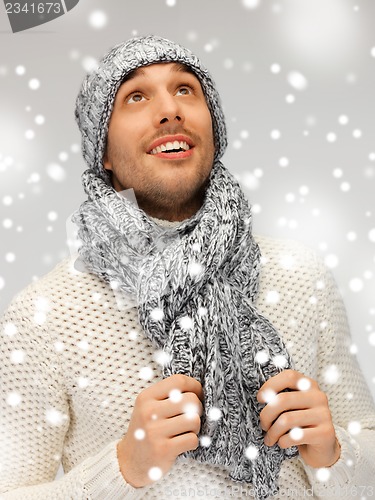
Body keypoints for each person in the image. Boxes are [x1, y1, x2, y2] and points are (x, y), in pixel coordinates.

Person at [0, 35, 374, 500]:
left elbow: (365, 465)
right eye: (135, 96)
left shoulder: (301, 273)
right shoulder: (44, 314)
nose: (169, 110)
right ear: (104, 153)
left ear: (213, 130)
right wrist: (123, 468)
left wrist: (336, 454)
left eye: (185, 90)